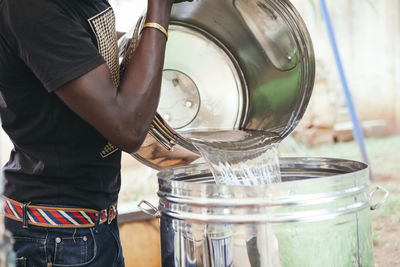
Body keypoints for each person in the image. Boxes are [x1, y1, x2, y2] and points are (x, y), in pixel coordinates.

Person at [0, 0, 190, 265]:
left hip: (91, 226)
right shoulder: (34, 9)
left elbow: (89, 47)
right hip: (55, 239)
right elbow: (128, 129)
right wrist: (159, 8)